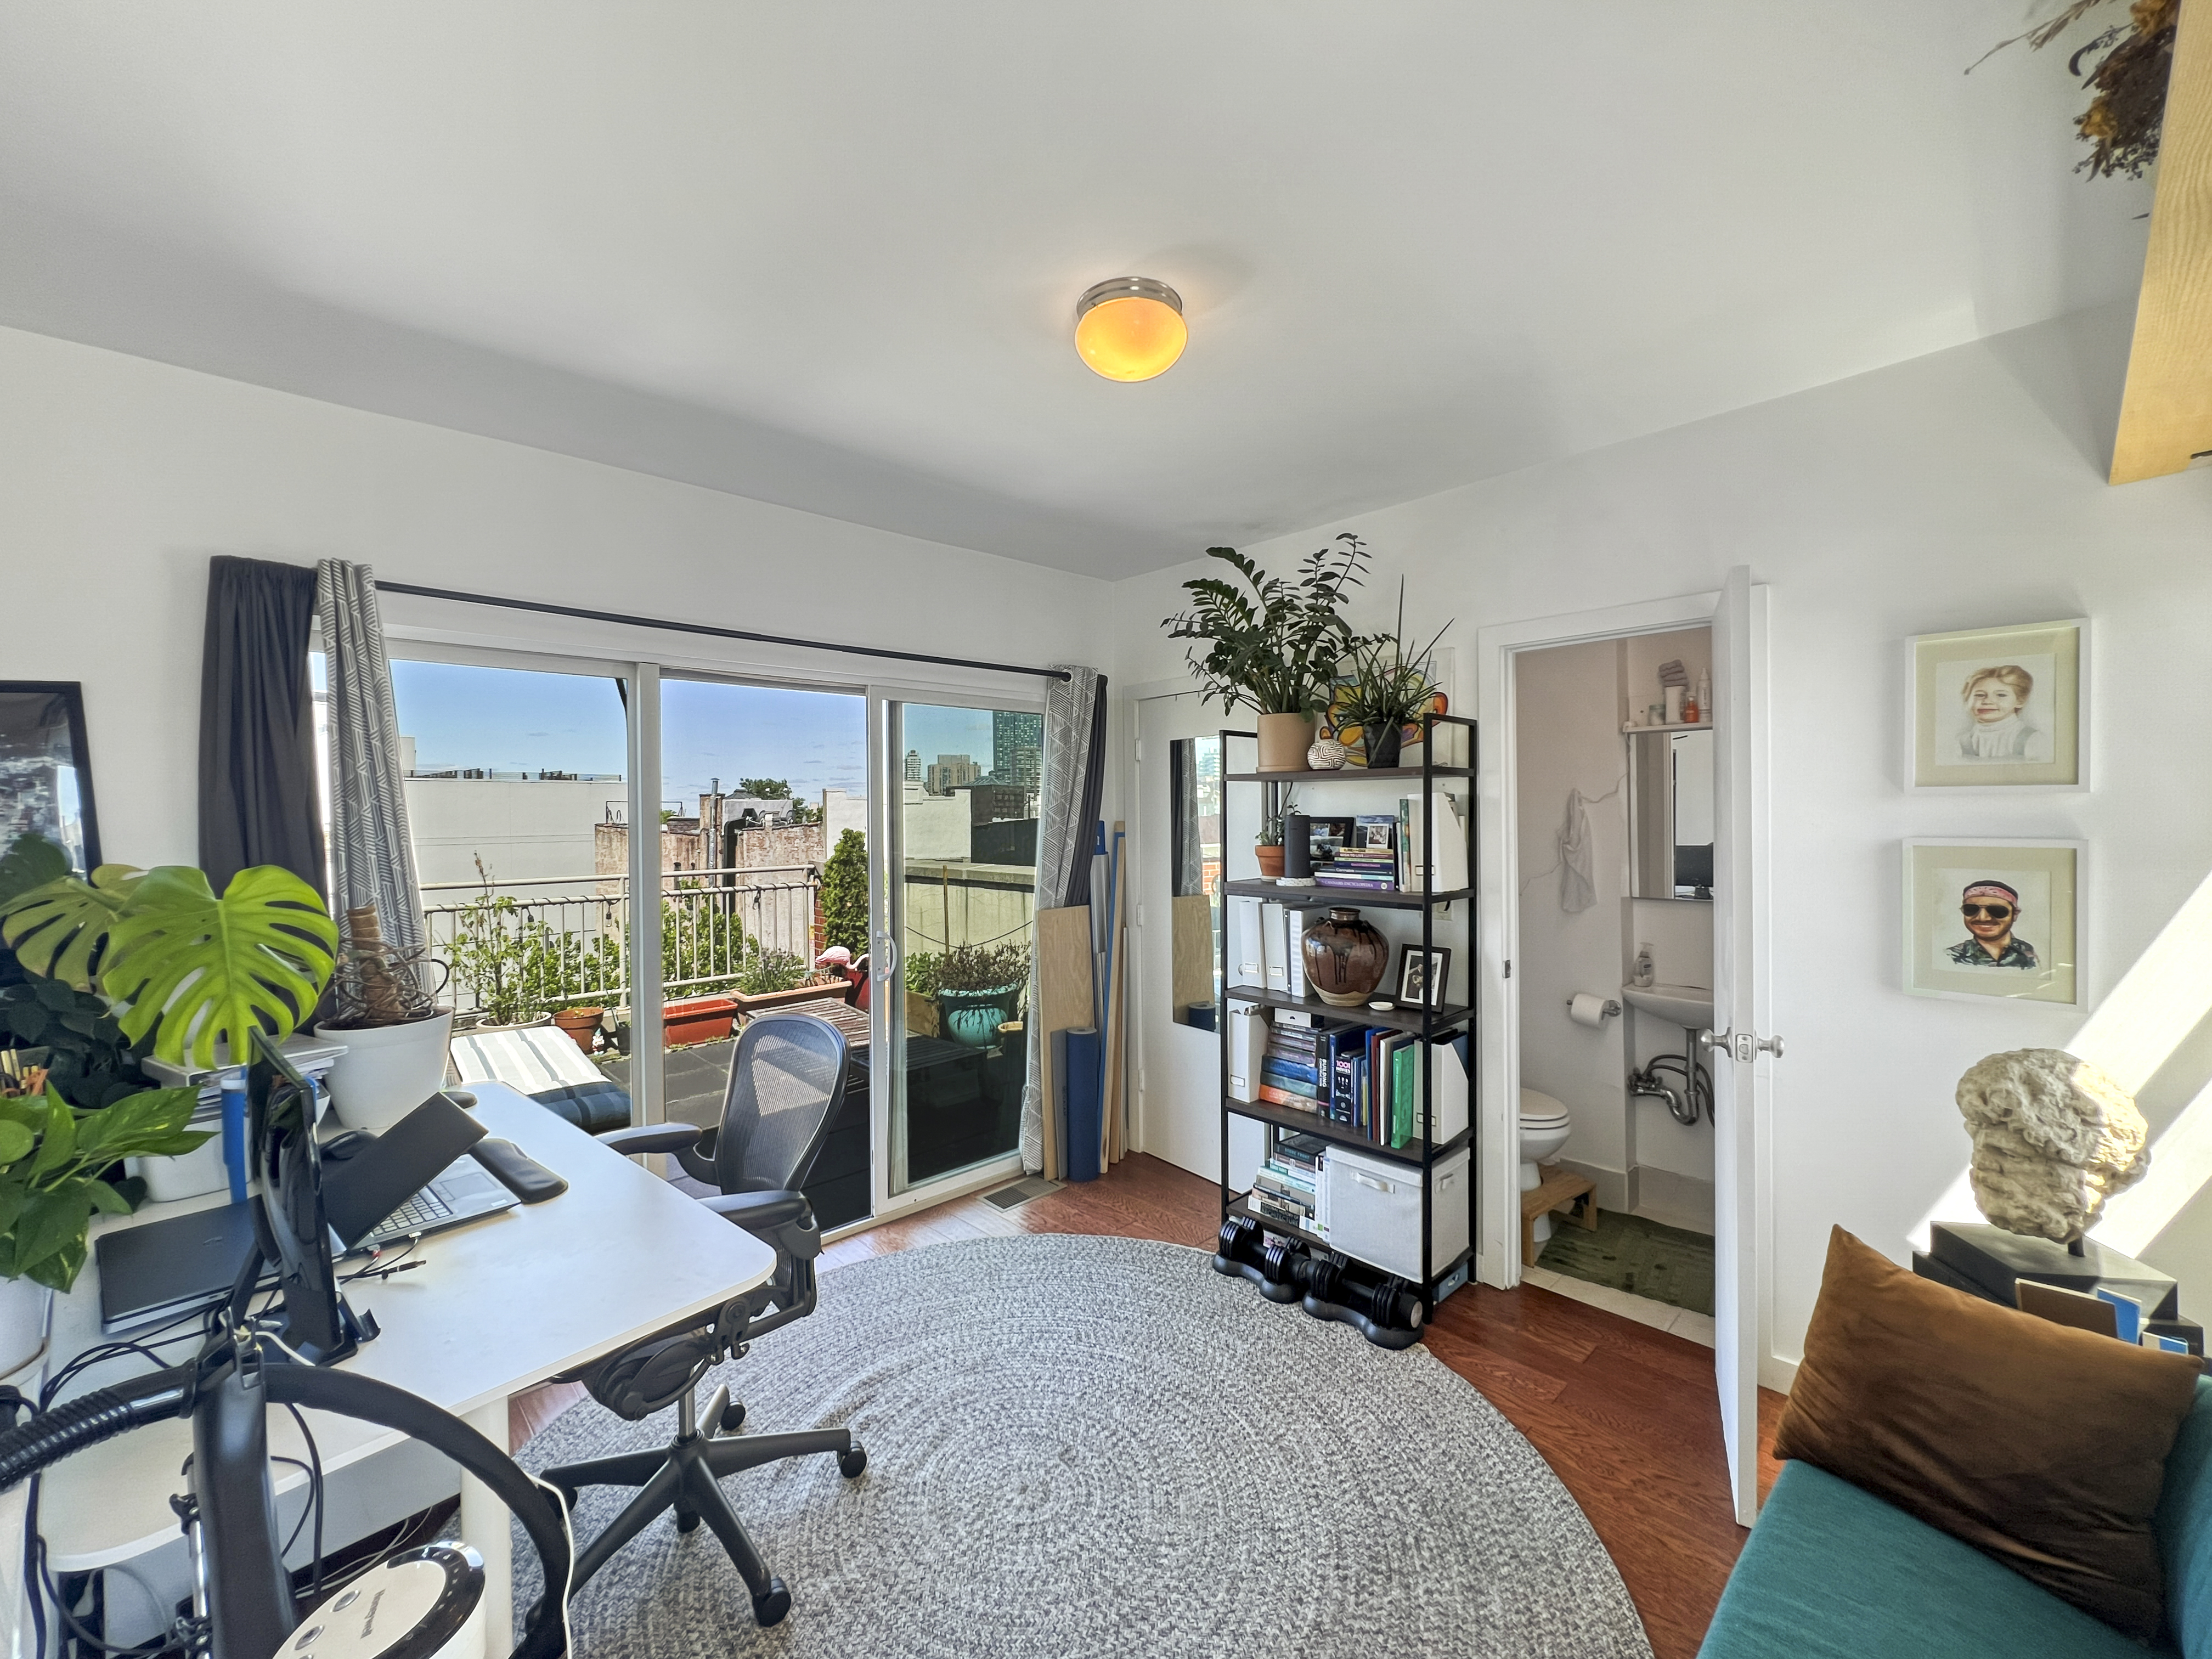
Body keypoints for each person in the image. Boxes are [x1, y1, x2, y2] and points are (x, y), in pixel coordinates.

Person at [1955, 664, 2046, 761]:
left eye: (2001, 695)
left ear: (2020, 701)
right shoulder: (1960, 742)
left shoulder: (2032, 739)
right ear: (1967, 699)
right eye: (1980, 695)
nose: (1988, 701)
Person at [1948, 880, 2039, 969]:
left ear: (2015, 915)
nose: (1983, 918)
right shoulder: (1951, 956)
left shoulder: (2031, 953)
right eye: (1971, 910)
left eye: (1997, 911)